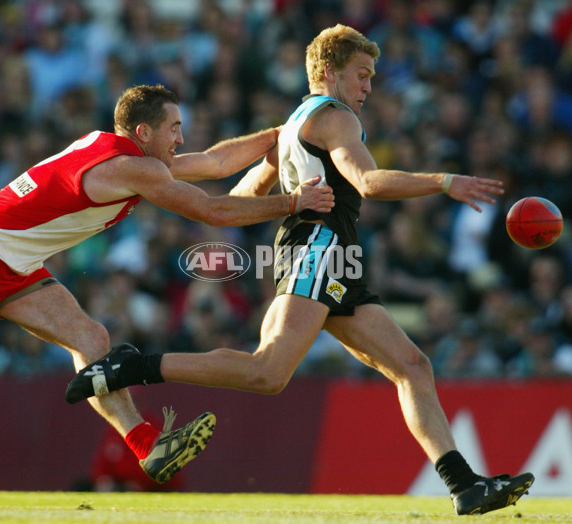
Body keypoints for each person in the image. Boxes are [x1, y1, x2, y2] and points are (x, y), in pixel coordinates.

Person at [67, 26, 534, 514]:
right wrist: (444, 181)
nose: (368, 87)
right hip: (321, 249)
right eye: (361, 74)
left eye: (370, 76)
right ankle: (133, 365)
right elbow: (369, 183)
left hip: (328, 255)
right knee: (268, 372)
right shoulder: (335, 118)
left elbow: (247, 196)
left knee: (412, 366)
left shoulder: (291, 126)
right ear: (328, 74)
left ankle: (464, 487)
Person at [0, 84, 334, 484]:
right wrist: (291, 203)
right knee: (91, 342)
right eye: (174, 128)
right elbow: (211, 210)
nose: (180, 138)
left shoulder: (113, 150)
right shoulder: (135, 169)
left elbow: (214, 162)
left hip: (13, 265)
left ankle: (149, 447)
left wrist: (283, 132)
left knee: (92, 340)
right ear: (144, 133)